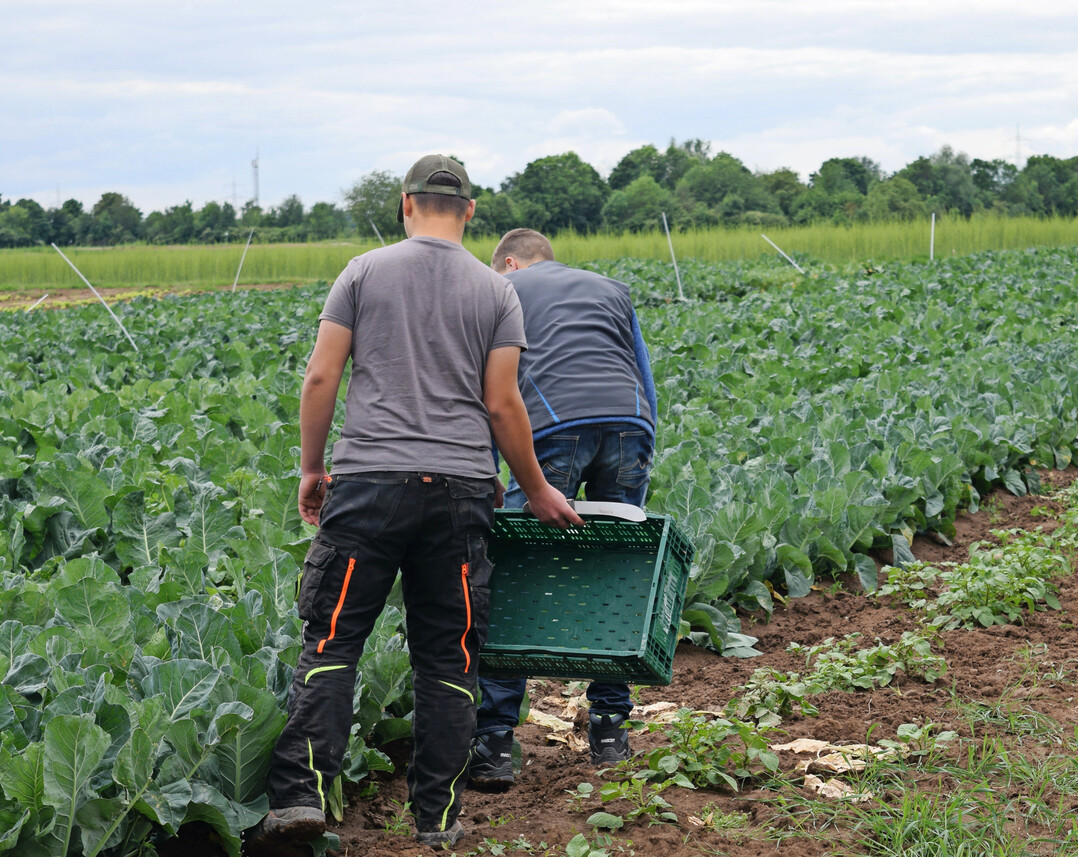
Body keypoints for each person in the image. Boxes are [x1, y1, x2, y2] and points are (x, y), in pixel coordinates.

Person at [246, 158, 582, 854]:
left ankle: (302, 796)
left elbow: (321, 376)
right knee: (448, 658)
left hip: (368, 485)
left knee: (333, 641)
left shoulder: (362, 272)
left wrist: (312, 468)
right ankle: (437, 818)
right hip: (459, 494)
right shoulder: (497, 291)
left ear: (406, 203)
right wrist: (537, 488)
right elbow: (502, 403)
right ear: (470, 211)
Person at [469, 228, 657, 791]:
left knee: (517, 576)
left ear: (509, 263)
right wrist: (643, 438)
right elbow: (643, 373)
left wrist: (490, 470)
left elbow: (488, 390)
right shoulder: (611, 288)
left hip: (554, 429)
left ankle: (495, 740)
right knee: (613, 572)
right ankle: (609, 730)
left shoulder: (503, 291)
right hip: (630, 425)